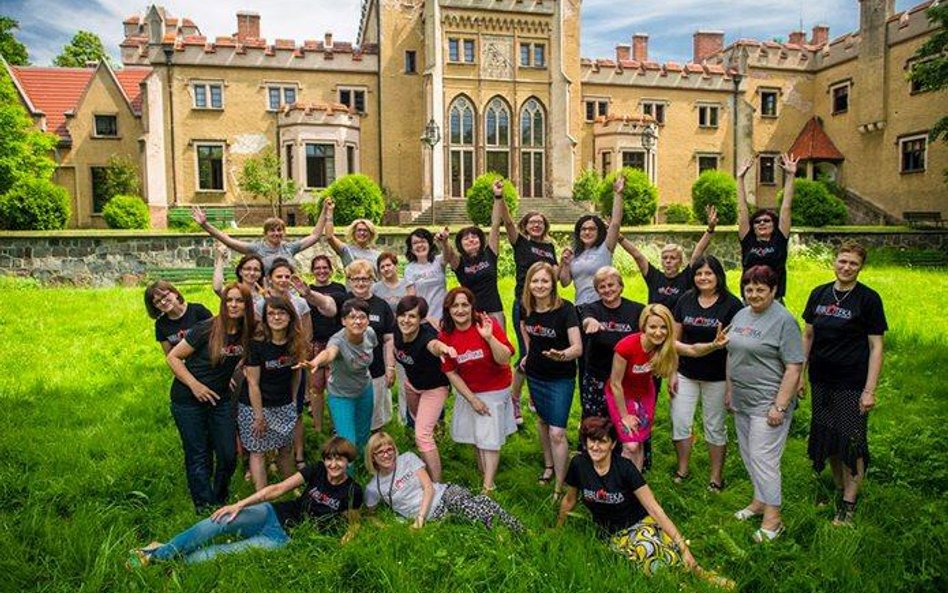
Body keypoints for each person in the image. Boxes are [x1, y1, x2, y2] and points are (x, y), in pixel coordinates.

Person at [128, 437, 362, 567]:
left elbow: (353, 521)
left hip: (283, 537)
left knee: (212, 556)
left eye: (339, 460)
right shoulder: (317, 470)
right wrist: (240, 505)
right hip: (271, 513)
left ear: (348, 462)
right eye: (329, 459)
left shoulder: (353, 490)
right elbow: (278, 489)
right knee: (216, 522)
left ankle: (160, 554)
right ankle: (155, 555)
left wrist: (348, 536)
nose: (333, 465)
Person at [557, 417, 734, 588]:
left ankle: (699, 572)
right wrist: (558, 528)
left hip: (639, 523)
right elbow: (570, 499)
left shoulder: (625, 468)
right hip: (612, 534)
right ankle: (680, 585)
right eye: (591, 441)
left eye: (602, 442)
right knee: (647, 551)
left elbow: (654, 508)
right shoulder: (579, 464)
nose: (595, 447)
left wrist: (684, 548)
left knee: (667, 548)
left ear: (612, 444)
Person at [801, 242, 887, 525]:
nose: (846, 267)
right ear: (834, 262)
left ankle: (849, 505)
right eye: (842, 261)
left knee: (851, 441)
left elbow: (876, 347)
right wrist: (801, 375)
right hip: (821, 380)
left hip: (851, 382)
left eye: (853, 263)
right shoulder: (819, 294)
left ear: (860, 267)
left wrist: (869, 390)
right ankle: (840, 490)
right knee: (830, 438)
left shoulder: (868, 299)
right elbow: (808, 337)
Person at [727, 265, 803, 542]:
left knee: (764, 458)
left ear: (773, 290)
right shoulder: (741, 314)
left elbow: (794, 366)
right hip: (742, 399)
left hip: (768, 403)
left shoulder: (784, 321)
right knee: (749, 454)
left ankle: (774, 519)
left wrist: (780, 406)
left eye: (761, 289)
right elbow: (731, 351)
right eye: (749, 289)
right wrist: (729, 389)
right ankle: (759, 501)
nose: (754, 294)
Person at [165, 283, 255, 512]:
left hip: (220, 398)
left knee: (227, 454)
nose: (233, 305)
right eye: (229, 301)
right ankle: (204, 507)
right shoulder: (207, 328)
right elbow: (173, 357)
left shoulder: (249, 331)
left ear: (247, 305)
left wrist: (231, 374)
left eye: (239, 301)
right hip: (187, 399)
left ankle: (219, 498)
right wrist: (195, 386)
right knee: (198, 454)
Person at [671, 255, 743, 490]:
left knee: (715, 426)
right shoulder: (685, 300)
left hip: (718, 377)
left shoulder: (732, 305)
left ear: (718, 276)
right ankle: (682, 468)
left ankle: (716, 477)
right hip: (686, 373)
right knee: (680, 422)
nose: (703, 277)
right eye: (699, 274)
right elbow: (673, 340)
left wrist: (731, 388)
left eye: (708, 273)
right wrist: (672, 373)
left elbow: (735, 351)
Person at [438, 287, 517, 494]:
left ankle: (488, 486)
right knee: (476, 436)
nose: (460, 309)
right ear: (448, 309)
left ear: (472, 307)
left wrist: (490, 338)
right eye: (455, 305)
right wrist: (472, 399)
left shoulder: (485, 324)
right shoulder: (446, 335)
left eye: (465, 304)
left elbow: (505, 359)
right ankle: (484, 474)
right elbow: (451, 372)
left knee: (488, 438)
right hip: (468, 391)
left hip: (494, 389)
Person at [364, 432, 523, 532]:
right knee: (480, 505)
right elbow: (370, 515)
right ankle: (512, 529)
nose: (386, 455)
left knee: (469, 508)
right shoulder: (373, 488)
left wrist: (420, 519)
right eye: (380, 452)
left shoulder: (407, 459)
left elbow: (428, 488)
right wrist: (385, 527)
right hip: (435, 514)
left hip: (444, 493)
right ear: (372, 457)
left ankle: (516, 530)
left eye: (389, 449)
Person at [494, 178, 558, 424]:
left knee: (542, 351)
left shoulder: (550, 247)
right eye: (531, 222)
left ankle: (535, 395)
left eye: (540, 222)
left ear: (545, 226)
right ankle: (514, 397)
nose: (535, 225)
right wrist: (500, 198)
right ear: (525, 225)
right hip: (525, 305)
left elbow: (555, 276)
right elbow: (507, 222)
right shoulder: (520, 243)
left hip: (547, 306)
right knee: (527, 352)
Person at [520, 262, 582, 495]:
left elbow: (577, 348)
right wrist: (527, 353)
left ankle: (560, 483)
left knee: (557, 431)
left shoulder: (566, 309)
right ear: (529, 284)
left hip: (561, 377)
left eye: (545, 281)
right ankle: (549, 466)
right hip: (535, 375)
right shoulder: (525, 307)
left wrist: (562, 355)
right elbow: (524, 329)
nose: (540, 285)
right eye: (535, 281)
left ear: (553, 283)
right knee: (542, 422)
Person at [238, 297, 308, 491]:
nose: (276, 317)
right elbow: (253, 383)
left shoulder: (295, 342)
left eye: (281, 313)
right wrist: (258, 416)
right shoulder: (257, 345)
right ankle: (262, 495)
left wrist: (293, 402)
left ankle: (291, 489)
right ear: (266, 318)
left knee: (285, 449)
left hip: (283, 403)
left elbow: (297, 373)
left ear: (290, 316)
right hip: (255, 406)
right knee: (258, 451)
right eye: (271, 313)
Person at [298, 298, 377, 453]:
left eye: (362, 317)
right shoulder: (337, 340)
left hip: (364, 389)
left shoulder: (370, 334)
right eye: (352, 317)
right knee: (347, 440)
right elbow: (329, 353)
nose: (357, 321)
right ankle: (347, 473)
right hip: (341, 395)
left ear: (368, 320)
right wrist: (316, 362)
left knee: (363, 435)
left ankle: (362, 466)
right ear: (343, 321)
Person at [606, 304, 679, 470]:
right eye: (653, 327)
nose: (658, 332)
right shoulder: (626, 346)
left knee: (638, 443)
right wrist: (624, 416)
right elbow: (615, 383)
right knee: (630, 445)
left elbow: (691, 351)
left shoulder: (663, 346)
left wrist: (713, 346)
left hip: (645, 395)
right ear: (643, 326)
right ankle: (623, 485)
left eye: (663, 327)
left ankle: (636, 485)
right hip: (621, 394)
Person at [393, 295, 455, 482]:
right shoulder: (397, 329)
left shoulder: (426, 337)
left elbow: (434, 346)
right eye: (402, 315)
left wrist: (444, 349)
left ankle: (436, 484)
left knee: (422, 435)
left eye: (412, 316)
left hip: (434, 388)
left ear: (421, 319)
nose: (406, 320)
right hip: (413, 385)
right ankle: (426, 460)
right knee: (419, 424)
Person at [618, 205, 717, 310]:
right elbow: (637, 255)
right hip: (655, 323)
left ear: (680, 261)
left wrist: (710, 230)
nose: (668, 261)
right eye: (665, 258)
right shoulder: (654, 277)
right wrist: (619, 237)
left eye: (673, 258)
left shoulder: (686, 277)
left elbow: (698, 252)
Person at [579, 267, 645, 420]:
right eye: (602, 287)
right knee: (595, 422)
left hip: (626, 378)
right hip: (598, 377)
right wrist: (590, 322)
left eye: (611, 285)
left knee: (627, 419)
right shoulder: (591, 308)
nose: (607, 290)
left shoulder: (637, 310)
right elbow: (586, 320)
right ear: (597, 290)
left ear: (620, 286)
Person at [736, 153, 798, 301]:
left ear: (774, 224)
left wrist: (790, 176)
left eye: (766, 220)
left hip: (774, 298)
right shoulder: (748, 239)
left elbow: (786, 208)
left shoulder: (779, 238)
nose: (762, 223)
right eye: (757, 221)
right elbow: (742, 209)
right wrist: (740, 178)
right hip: (749, 298)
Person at [344, 260, 397, 431]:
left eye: (365, 279)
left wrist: (390, 367)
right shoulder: (343, 304)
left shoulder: (382, 306)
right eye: (356, 279)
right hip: (348, 372)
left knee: (375, 418)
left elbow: (389, 339)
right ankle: (355, 453)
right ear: (349, 280)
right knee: (351, 417)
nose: (360, 283)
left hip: (376, 370)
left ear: (372, 280)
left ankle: (375, 451)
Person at [558, 175, 625, 307]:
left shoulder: (605, 248)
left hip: (603, 306)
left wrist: (618, 194)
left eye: (592, 229)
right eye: (583, 229)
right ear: (579, 232)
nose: (587, 232)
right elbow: (565, 283)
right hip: (581, 307)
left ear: (599, 231)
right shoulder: (575, 254)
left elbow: (615, 224)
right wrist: (565, 264)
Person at [192, 207, 325, 273]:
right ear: (265, 233)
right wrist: (205, 225)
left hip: (291, 295)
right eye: (272, 230)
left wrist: (325, 211)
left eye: (279, 230)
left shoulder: (289, 248)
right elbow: (228, 241)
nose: (276, 233)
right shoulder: (256, 249)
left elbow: (315, 236)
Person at [302, 254, 348, 433]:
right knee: (315, 387)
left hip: (335, 344)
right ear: (312, 271)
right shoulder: (307, 290)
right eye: (317, 268)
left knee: (335, 386)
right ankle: (318, 427)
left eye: (325, 267)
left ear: (331, 269)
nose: (321, 271)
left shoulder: (339, 288)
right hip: (315, 344)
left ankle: (338, 426)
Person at [444, 222, 504, 327]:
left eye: (474, 236)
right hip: (471, 313)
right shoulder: (459, 262)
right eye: (466, 238)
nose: (471, 239)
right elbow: (450, 254)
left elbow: (495, 226)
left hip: (494, 310)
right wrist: (444, 241)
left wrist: (499, 205)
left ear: (480, 240)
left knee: (500, 342)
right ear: (460, 244)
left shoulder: (489, 254)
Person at [145, 280, 212, 355]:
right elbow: (170, 355)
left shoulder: (198, 310)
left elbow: (216, 336)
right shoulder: (161, 324)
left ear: (175, 293)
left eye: (164, 296)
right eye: (157, 302)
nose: (163, 302)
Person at [403, 227, 454, 325]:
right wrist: (424, 318)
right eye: (415, 243)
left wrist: (444, 241)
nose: (420, 245)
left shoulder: (438, 261)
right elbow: (412, 298)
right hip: (424, 320)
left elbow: (449, 255)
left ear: (429, 245)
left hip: (444, 317)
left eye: (423, 241)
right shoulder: (409, 269)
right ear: (411, 249)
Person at [322, 199, 381, 269]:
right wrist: (329, 212)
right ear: (353, 233)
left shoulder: (377, 255)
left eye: (365, 230)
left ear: (371, 234)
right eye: (359, 230)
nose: (362, 233)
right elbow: (329, 237)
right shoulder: (346, 250)